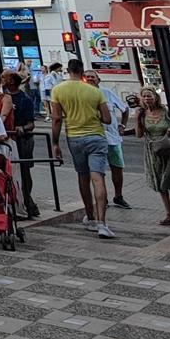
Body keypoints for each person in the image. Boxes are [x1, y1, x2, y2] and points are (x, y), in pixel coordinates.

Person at [49, 59, 114, 239]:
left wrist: (55, 143)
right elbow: (107, 119)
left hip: (75, 137)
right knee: (98, 178)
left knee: (83, 177)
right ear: (82, 71)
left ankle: (90, 217)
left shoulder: (58, 90)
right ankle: (102, 223)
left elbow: (56, 118)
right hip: (96, 136)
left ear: (68, 70)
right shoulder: (94, 91)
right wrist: (94, 115)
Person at [134, 87, 170, 226]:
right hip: (153, 151)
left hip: (169, 149)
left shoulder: (165, 111)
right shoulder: (143, 113)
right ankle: (169, 214)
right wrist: (137, 119)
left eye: (149, 96)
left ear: (155, 97)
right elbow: (139, 135)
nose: (147, 99)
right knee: (160, 183)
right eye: (144, 96)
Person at [84, 70, 133, 210]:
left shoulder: (107, 93)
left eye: (92, 77)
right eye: (87, 77)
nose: (90, 79)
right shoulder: (81, 95)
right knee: (97, 170)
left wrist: (122, 126)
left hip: (112, 138)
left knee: (117, 167)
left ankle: (118, 196)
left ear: (98, 80)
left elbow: (125, 109)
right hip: (93, 137)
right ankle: (102, 198)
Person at [1, 70, 40, 218]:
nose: (1, 79)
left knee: (24, 170)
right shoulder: (2, 97)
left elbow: (31, 124)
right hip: (7, 138)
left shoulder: (24, 100)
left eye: (3, 77)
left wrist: (22, 128)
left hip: (22, 140)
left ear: (11, 81)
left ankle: (27, 201)